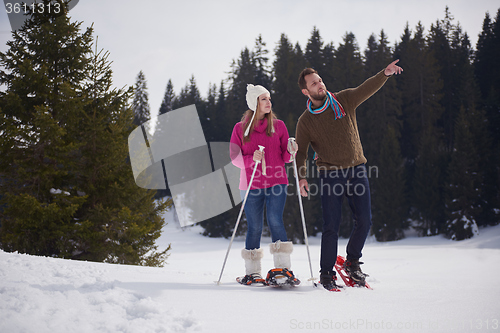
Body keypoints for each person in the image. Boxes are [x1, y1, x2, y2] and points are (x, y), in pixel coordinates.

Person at [295, 60, 403, 290]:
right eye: (314, 83)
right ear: (306, 91)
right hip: (330, 174)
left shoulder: (343, 100)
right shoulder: (305, 122)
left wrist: (384, 73)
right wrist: (302, 177)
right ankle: (326, 273)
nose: (320, 84)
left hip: (357, 169)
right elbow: (301, 152)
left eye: (320, 80)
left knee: (364, 220)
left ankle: (352, 261)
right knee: (331, 226)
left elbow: (365, 88)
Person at [230, 84, 299, 286]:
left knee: (275, 220)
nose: (269, 102)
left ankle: (282, 270)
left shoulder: (279, 126)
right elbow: (234, 158)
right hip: (250, 185)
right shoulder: (239, 129)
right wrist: (252, 158)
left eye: (269, 98)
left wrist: (291, 150)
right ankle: (253, 273)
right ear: (254, 103)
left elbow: (286, 157)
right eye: (263, 99)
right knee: (254, 227)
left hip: (276, 181)